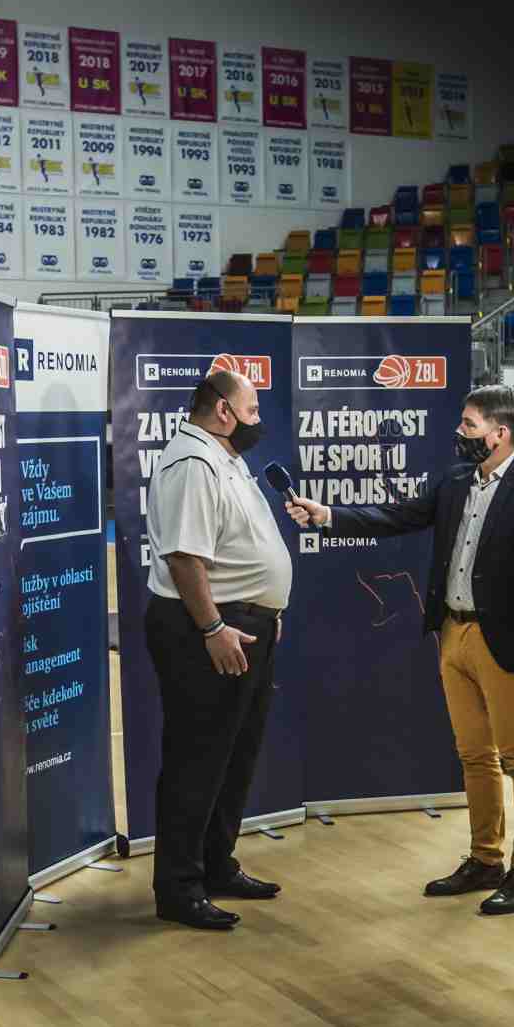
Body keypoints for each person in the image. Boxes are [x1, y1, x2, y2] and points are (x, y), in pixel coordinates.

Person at [287, 386, 514, 916]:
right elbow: (398, 516)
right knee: (473, 755)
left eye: (469, 424)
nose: (459, 432)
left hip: (508, 643)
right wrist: (327, 514)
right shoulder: (454, 480)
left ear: (500, 433)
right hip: (452, 633)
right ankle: (485, 859)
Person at [145, 355, 291, 931]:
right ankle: (179, 888)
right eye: (252, 408)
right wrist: (211, 628)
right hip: (206, 630)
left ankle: (215, 864)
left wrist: (266, 610)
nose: (258, 418)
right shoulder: (192, 463)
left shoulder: (224, 456)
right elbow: (185, 559)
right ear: (225, 411)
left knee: (234, 757)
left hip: (245, 626)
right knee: (197, 760)